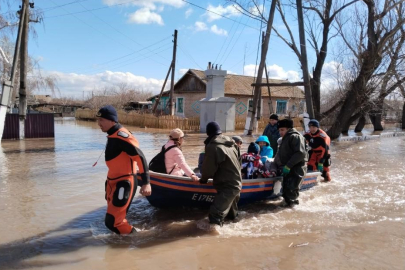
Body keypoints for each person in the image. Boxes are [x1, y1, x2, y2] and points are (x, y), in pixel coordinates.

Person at [96, 105, 151, 235]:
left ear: (111, 120)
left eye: (101, 120)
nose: (98, 123)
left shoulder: (122, 136)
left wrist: (146, 182)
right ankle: (122, 243)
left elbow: (140, 158)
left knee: (113, 222)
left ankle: (137, 238)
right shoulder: (112, 134)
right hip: (113, 181)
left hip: (125, 182)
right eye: (98, 120)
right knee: (112, 219)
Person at [199, 121, 242, 226]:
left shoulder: (213, 146)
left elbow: (208, 168)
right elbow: (239, 161)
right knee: (232, 216)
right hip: (237, 183)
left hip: (227, 186)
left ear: (208, 133)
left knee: (215, 214)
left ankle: (214, 238)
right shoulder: (232, 143)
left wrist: (204, 179)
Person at [277, 118, 308, 207]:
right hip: (289, 168)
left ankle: (293, 210)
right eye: (279, 130)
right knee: (286, 191)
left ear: (289, 129)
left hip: (296, 168)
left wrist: (288, 165)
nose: (280, 132)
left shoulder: (295, 136)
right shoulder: (286, 137)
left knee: (292, 191)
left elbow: (300, 153)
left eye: (282, 130)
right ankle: (286, 209)